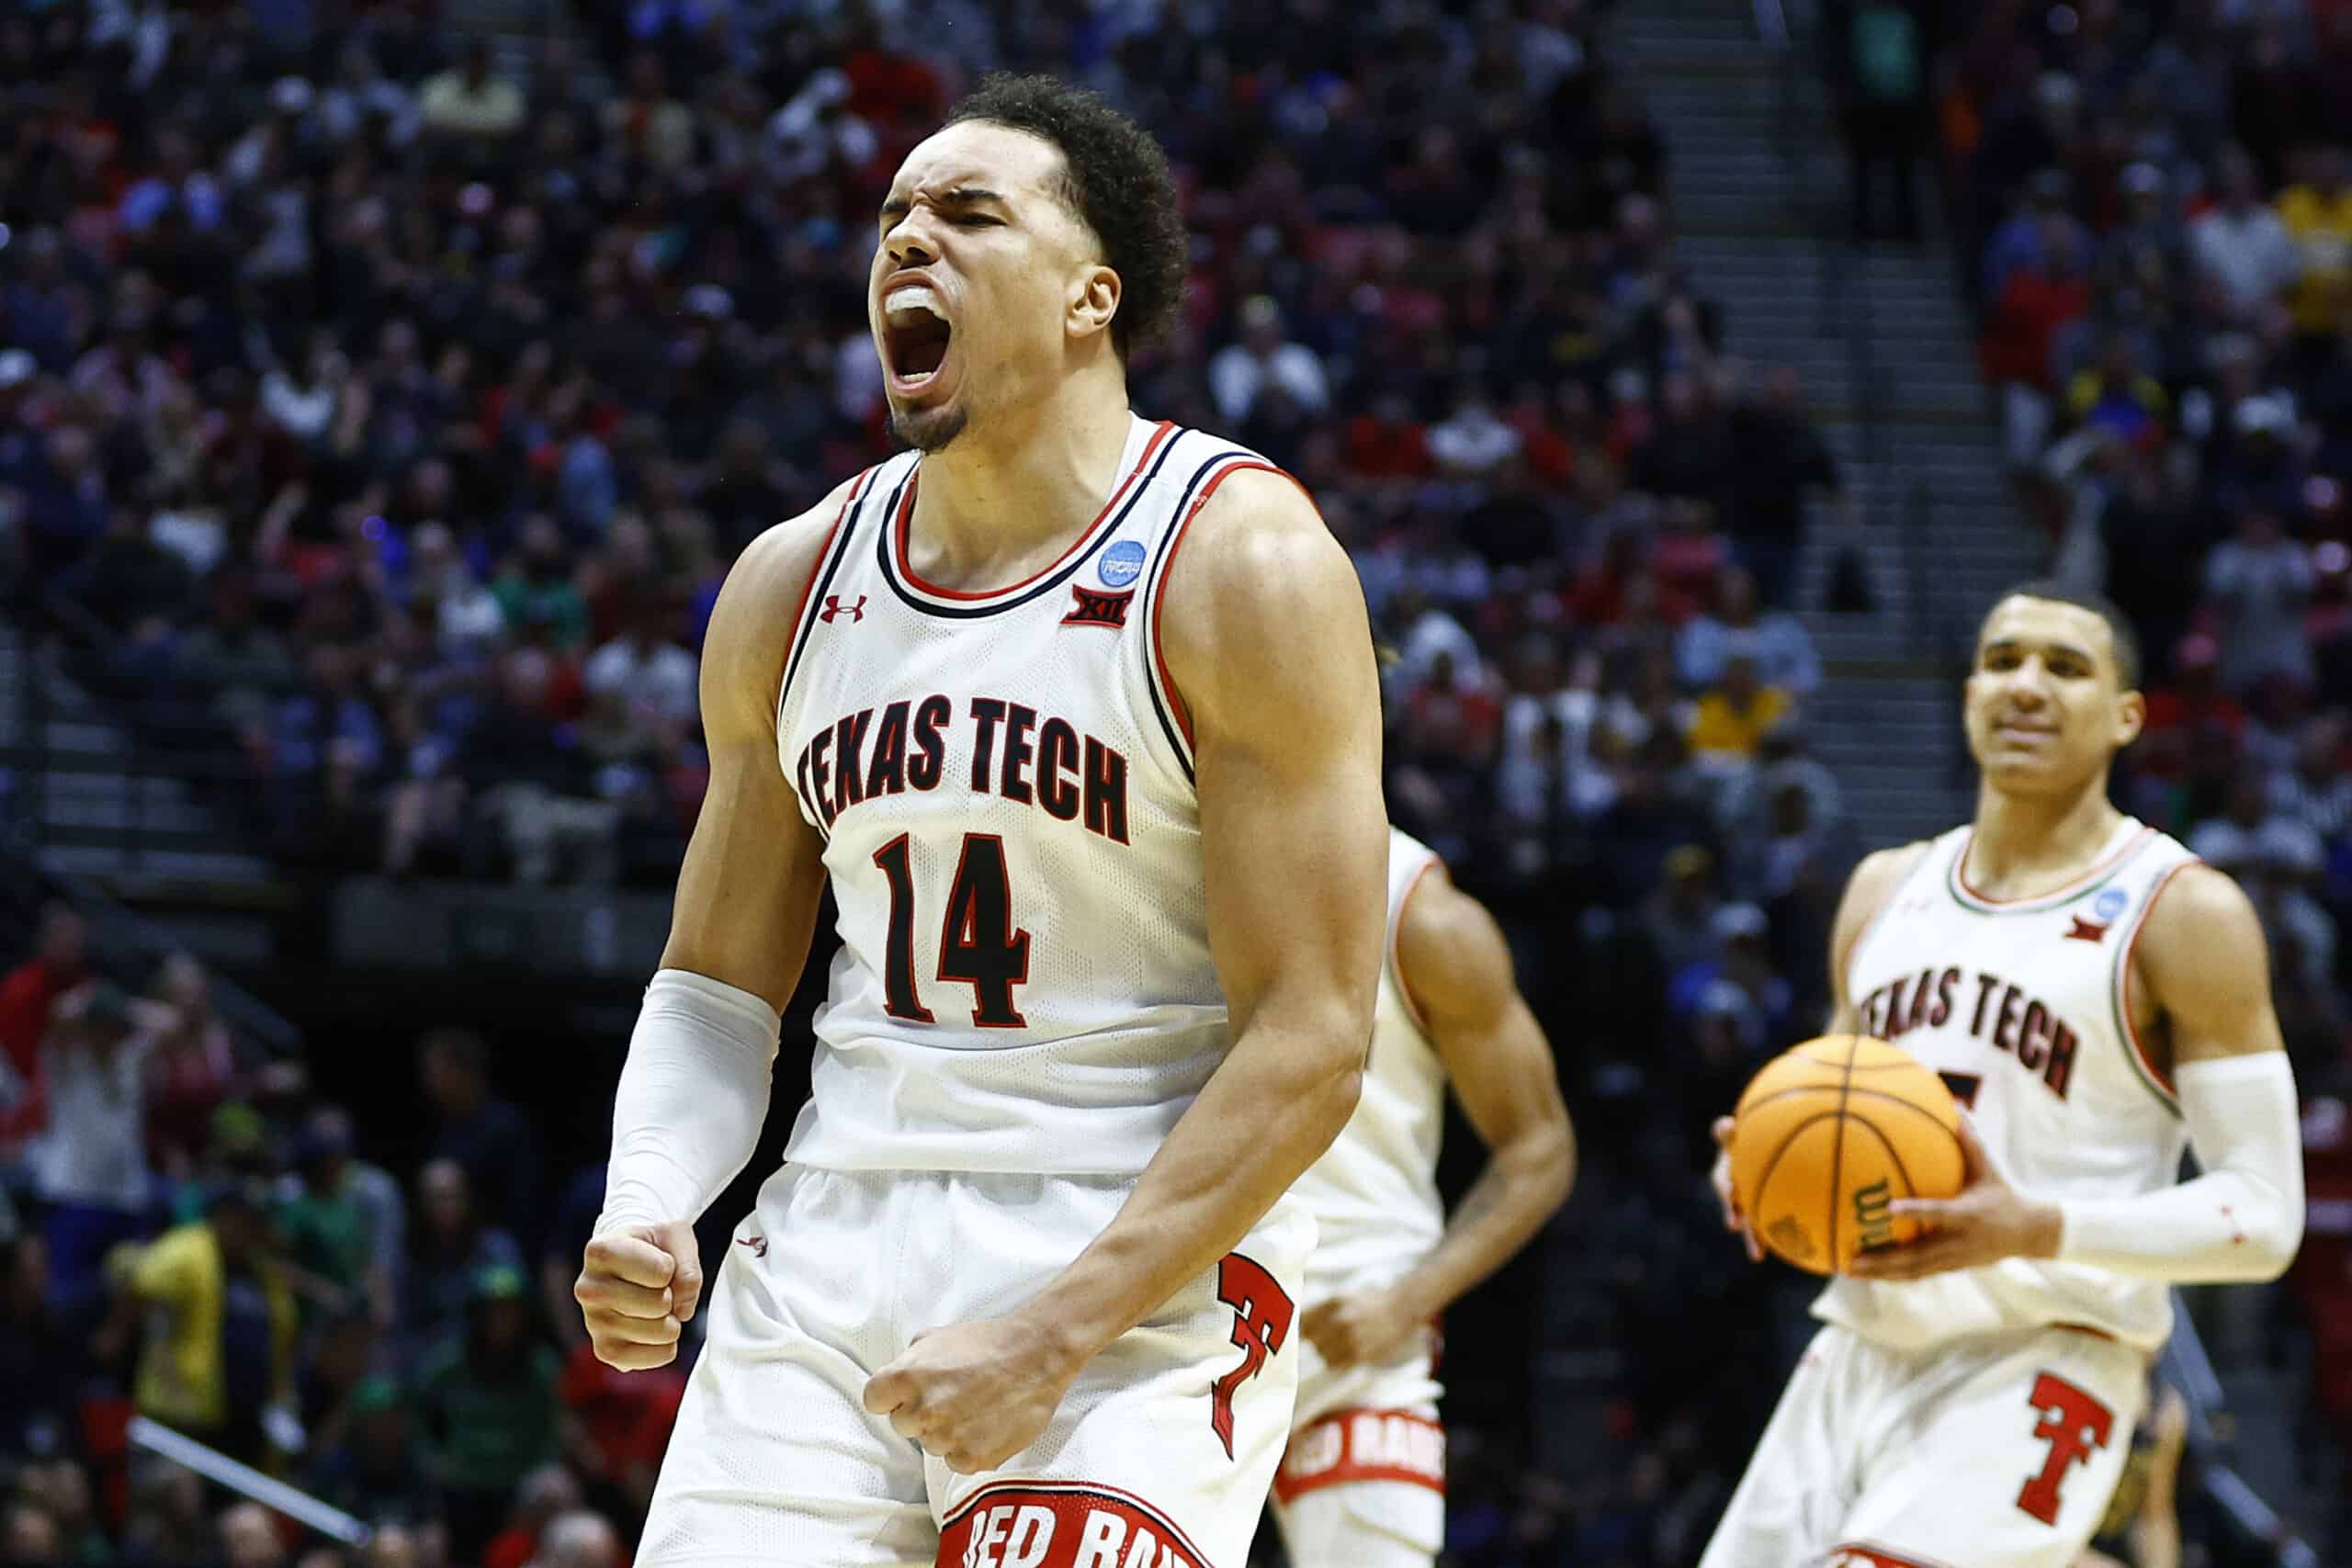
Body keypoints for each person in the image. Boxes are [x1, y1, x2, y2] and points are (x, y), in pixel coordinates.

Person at [572, 73, 1386, 1568]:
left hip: (1138, 1258)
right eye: (890, 219)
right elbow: (713, 987)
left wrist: (1058, 1326)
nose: (905, 244)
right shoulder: (789, 587)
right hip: (827, 1245)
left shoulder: (1239, 565)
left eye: (965, 212)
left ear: (1092, 297)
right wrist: (651, 1199)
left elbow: (1318, 1032)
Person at [1702, 581, 2305, 1568]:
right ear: (1968, 689)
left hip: (2045, 1350)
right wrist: (1766, 1168)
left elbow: (2266, 1217)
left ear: (2125, 719)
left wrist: (2038, 1225)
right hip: (1859, 1345)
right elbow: (1839, 1109)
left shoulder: (2184, 913)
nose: (2025, 686)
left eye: (2064, 668)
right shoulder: (1882, 889)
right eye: (2001, 660)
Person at [1263, 829, 1574, 1568]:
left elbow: (1540, 1147)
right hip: (1165, 1320)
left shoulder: (1421, 913)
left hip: (1352, 1334)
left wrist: (1408, 1300)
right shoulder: (1141, 846)